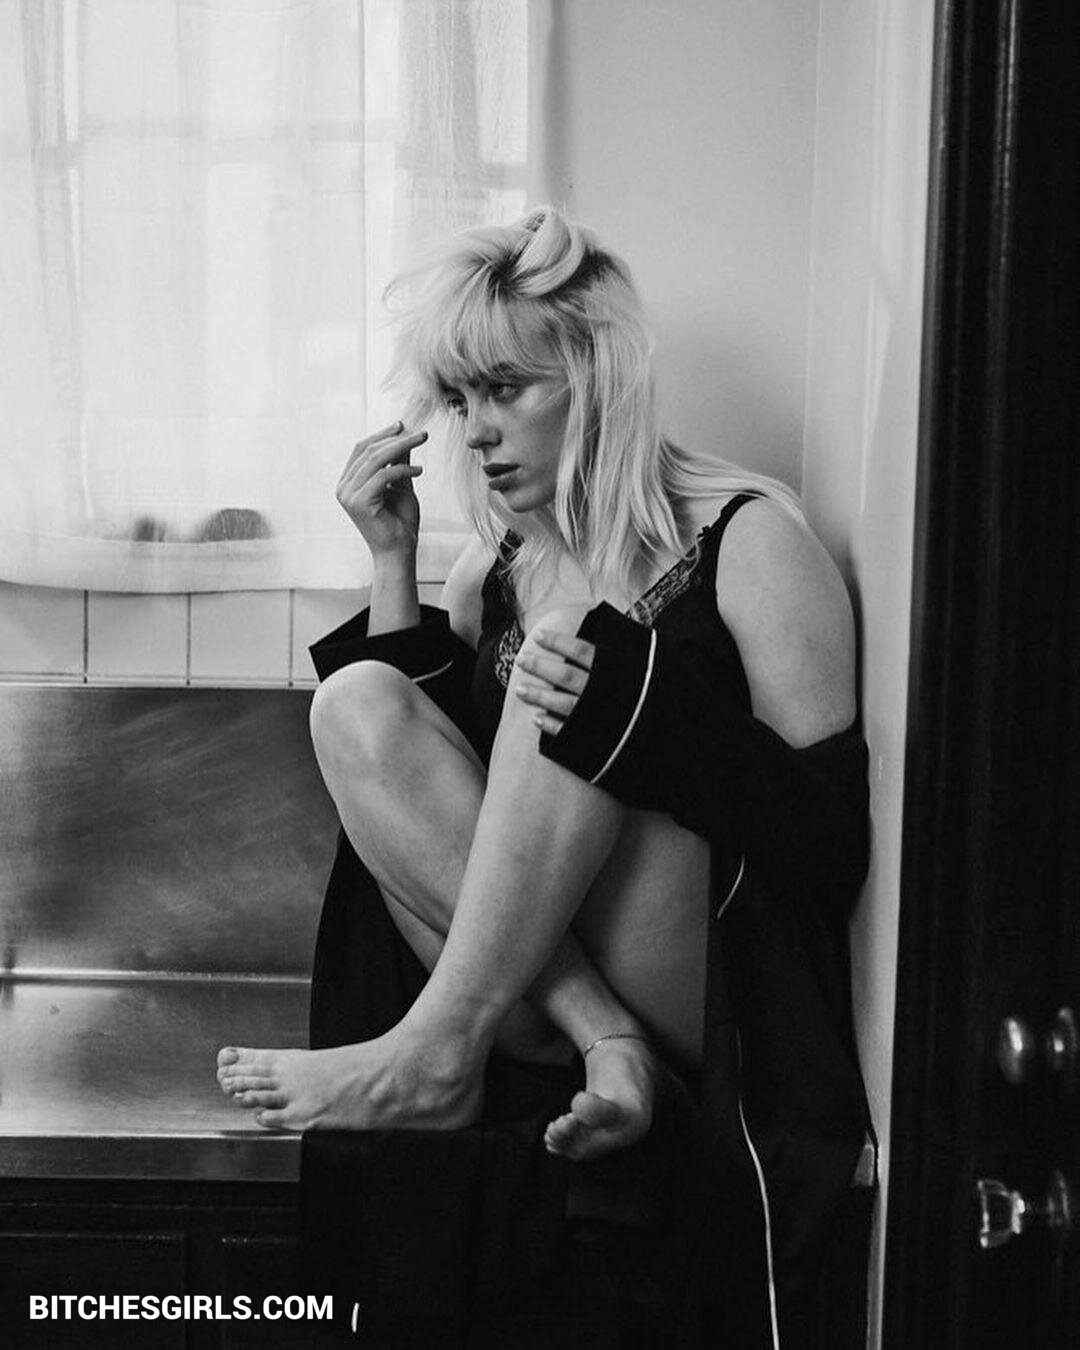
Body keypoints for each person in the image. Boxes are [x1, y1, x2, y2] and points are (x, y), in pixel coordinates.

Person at [217, 203, 867, 1182]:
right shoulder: (492, 571)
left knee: (569, 660)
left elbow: (829, 846)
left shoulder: (753, 542)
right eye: (458, 399)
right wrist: (392, 561)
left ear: (599, 375)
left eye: (505, 389)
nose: (476, 431)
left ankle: (440, 1050)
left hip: (715, 995)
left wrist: (640, 715)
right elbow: (439, 800)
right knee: (354, 699)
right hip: (545, 1002)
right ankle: (603, 1039)